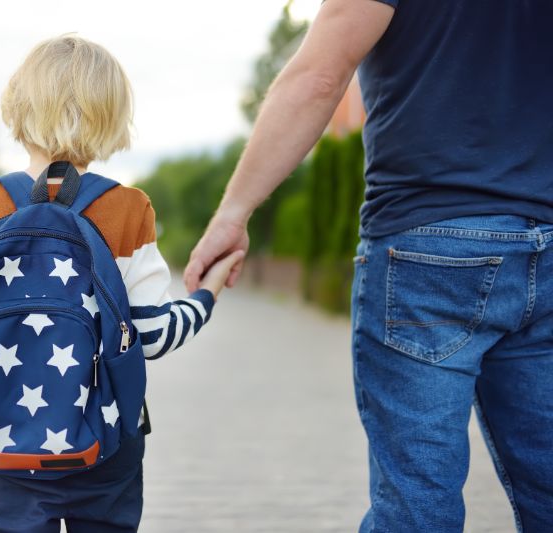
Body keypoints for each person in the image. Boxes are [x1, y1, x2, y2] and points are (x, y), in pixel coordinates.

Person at [185, 0, 553, 531]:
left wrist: (233, 212)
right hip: (544, 232)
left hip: (428, 247)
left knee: (416, 506)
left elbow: (318, 76)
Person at [0, 35, 243, 532]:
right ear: (111, 116)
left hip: (1, 452)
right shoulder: (129, 210)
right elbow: (151, 336)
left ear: (18, 108)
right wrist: (208, 293)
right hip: (105, 450)